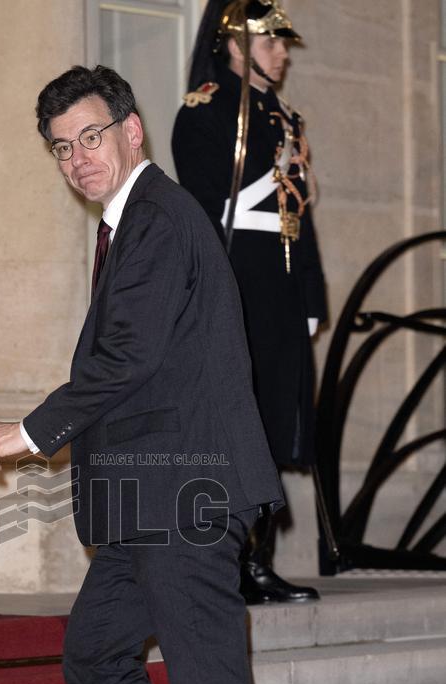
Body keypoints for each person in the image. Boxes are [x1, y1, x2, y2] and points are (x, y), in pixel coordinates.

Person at [0, 64, 333, 684]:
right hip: (146, 504)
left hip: (186, 498)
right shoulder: (131, 225)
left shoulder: (163, 220)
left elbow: (126, 357)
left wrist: (30, 429)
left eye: (91, 136)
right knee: (96, 655)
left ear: (132, 131)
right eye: (62, 146)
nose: (77, 158)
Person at [172, 0, 326, 604]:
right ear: (235, 45)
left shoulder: (284, 116)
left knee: (275, 421)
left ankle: (259, 559)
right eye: (271, 43)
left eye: (282, 45)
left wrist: (311, 294)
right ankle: (229, 562)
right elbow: (215, 210)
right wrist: (277, 172)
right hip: (238, 280)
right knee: (237, 423)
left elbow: (299, 217)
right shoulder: (205, 113)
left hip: (282, 286)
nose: (282, 54)